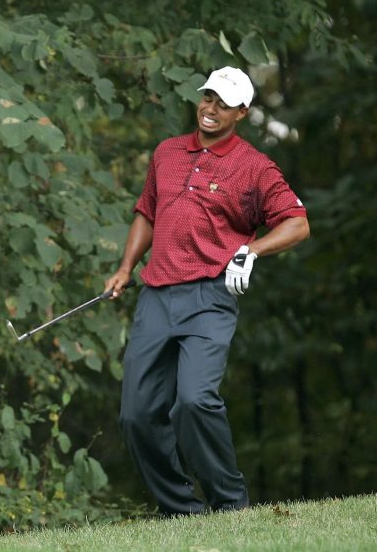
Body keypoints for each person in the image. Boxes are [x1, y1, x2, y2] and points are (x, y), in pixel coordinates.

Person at [102, 66, 310, 515]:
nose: (211, 109)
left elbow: (297, 223)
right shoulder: (167, 153)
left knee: (194, 401)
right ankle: (181, 511)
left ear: (242, 111)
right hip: (156, 295)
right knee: (136, 415)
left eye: (223, 103)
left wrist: (250, 251)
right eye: (207, 98)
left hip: (209, 298)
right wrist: (125, 268)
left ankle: (230, 505)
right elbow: (147, 212)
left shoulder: (255, 167)